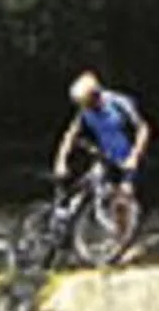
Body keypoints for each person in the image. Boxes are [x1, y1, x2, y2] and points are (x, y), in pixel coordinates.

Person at [54, 69, 148, 252]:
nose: (85, 108)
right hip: (105, 155)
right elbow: (70, 135)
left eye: (87, 103)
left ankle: (121, 243)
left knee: (123, 197)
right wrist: (61, 160)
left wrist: (134, 156)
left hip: (127, 156)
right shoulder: (85, 110)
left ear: (95, 95)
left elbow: (143, 129)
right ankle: (60, 223)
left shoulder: (118, 103)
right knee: (83, 185)